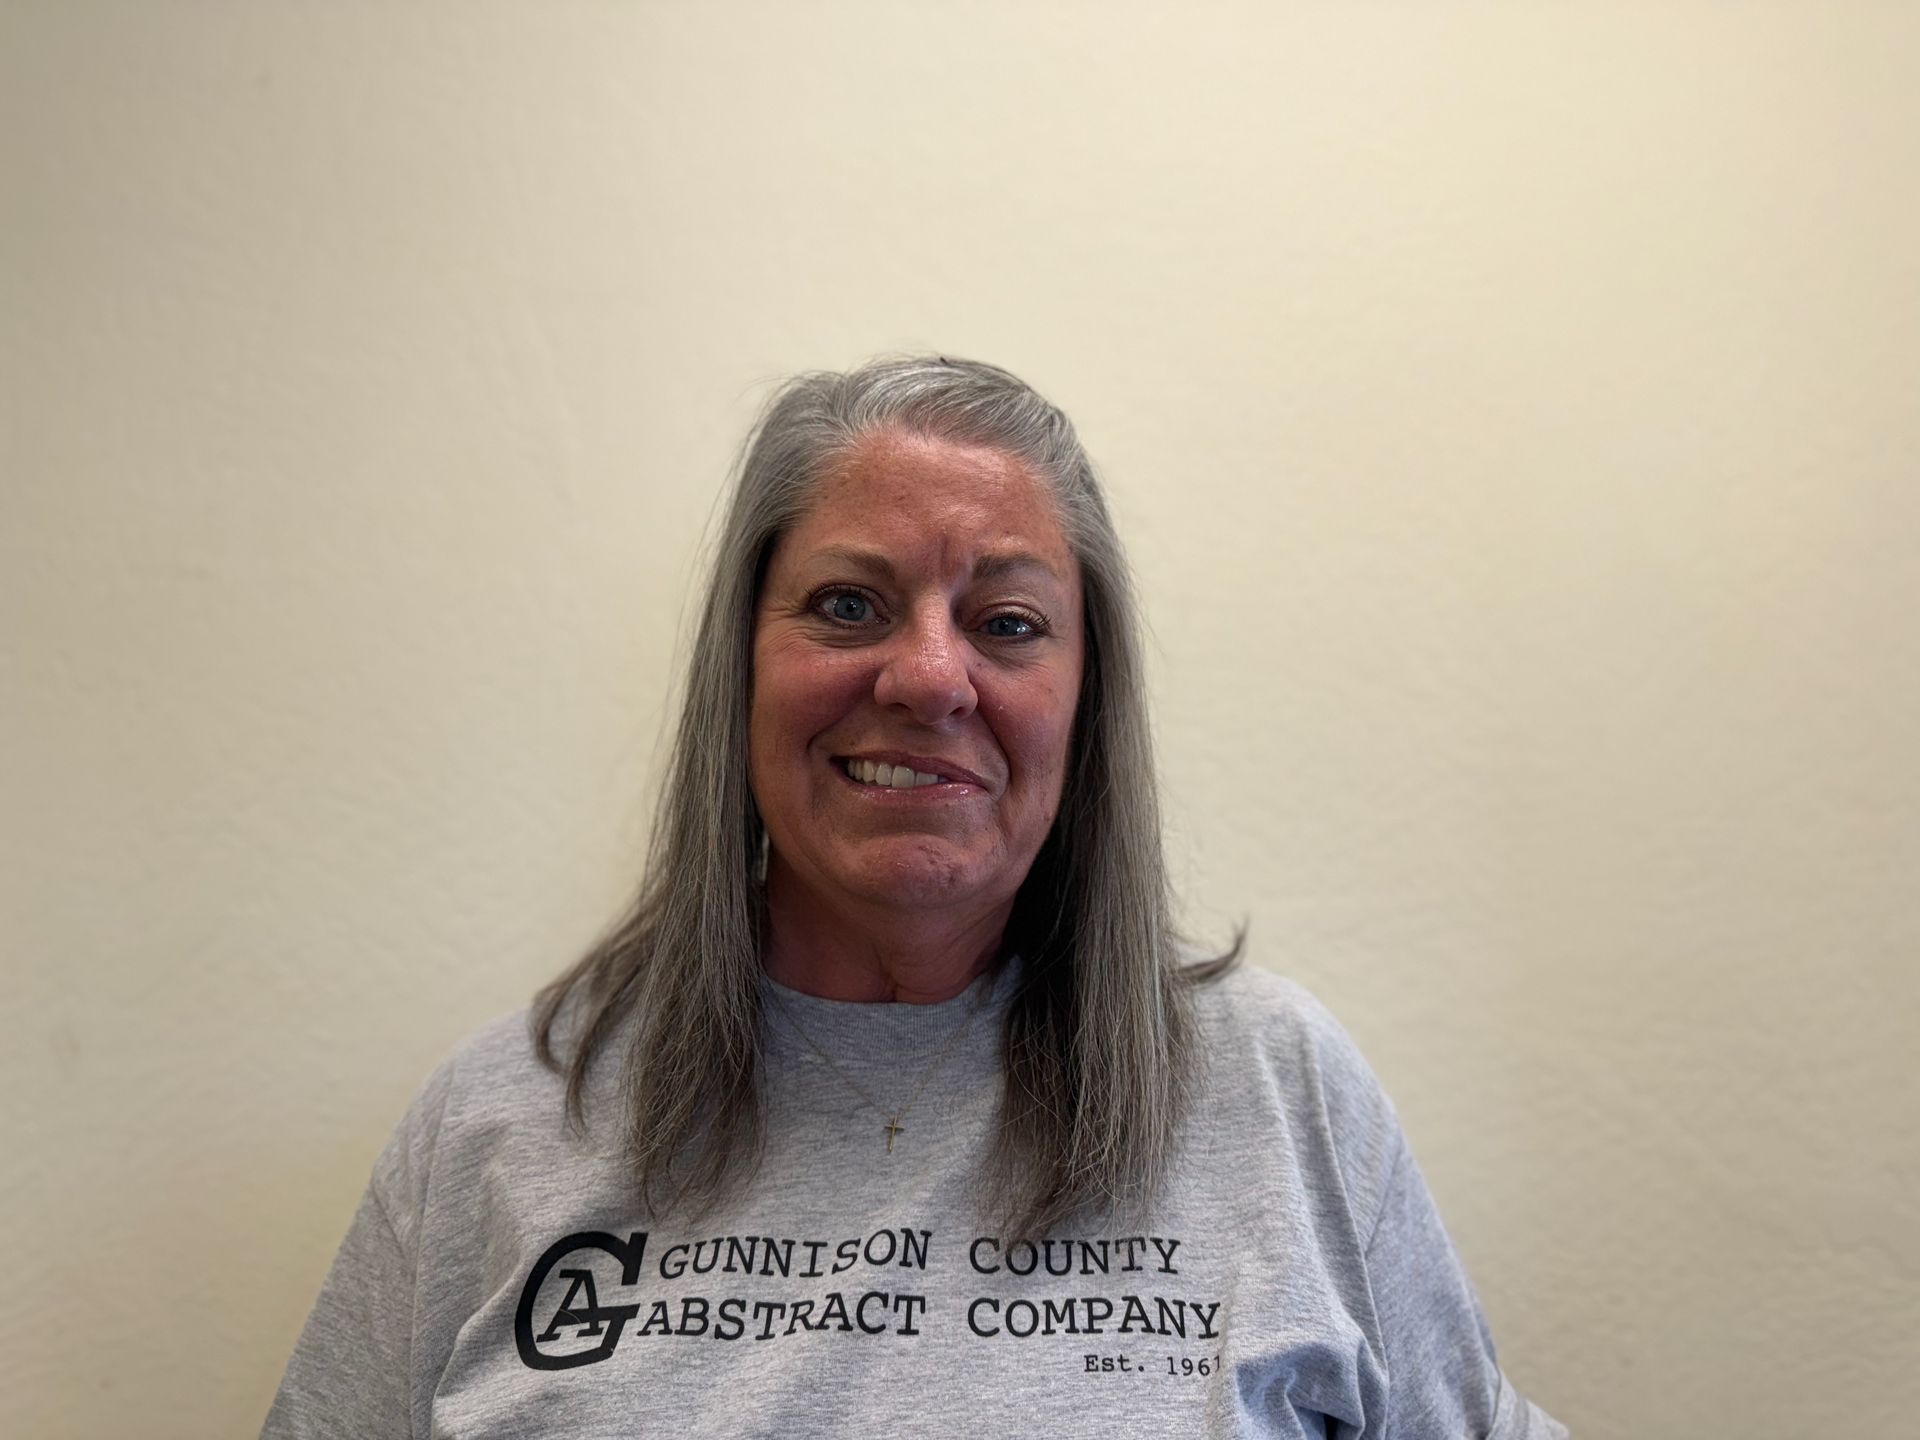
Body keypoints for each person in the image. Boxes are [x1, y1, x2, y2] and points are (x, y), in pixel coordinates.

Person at [262, 356, 1568, 1437]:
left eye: (1006, 622)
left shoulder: (1280, 1095)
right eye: (849, 604)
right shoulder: (504, 1128)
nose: (930, 677)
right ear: (742, 673)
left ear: (1085, 700)